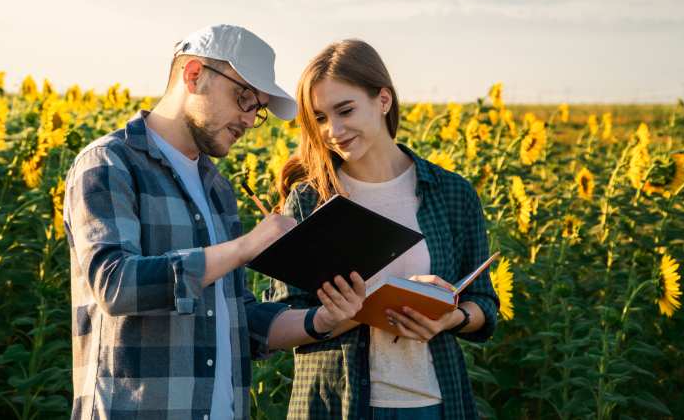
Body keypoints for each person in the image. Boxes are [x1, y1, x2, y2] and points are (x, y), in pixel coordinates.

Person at [63, 24, 366, 420]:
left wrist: (323, 319)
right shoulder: (110, 164)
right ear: (193, 75)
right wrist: (245, 247)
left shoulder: (217, 190)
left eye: (257, 110)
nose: (248, 118)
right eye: (243, 99)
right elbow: (116, 285)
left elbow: (239, 316)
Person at [268, 39, 499, 420]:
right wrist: (346, 313)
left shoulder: (451, 193)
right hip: (334, 405)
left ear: (384, 100)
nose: (333, 130)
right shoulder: (309, 201)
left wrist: (450, 316)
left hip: (432, 403)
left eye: (345, 110)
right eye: (320, 118)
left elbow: (484, 304)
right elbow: (278, 322)